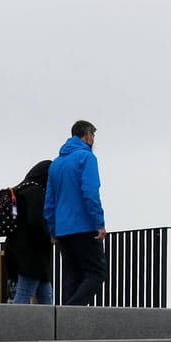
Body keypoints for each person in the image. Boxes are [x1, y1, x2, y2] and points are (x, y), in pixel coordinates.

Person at [45, 120, 107, 306]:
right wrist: (99, 223)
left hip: (63, 230)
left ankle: (64, 322)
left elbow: (49, 201)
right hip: (84, 226)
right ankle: (71, 312)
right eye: (93, 136)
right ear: (88, 135)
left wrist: (53, 229)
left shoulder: (56, 164)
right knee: (97, 273)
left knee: (72, 277)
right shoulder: (86, 158)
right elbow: (89, 191)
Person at [6, 159, 55, 304]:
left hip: (17, 250)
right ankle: (14, 326)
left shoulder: (19, 190)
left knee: (46, 295)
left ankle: (49, 325)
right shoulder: (36, 192)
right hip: (32, 255)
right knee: (24, 294)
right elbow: (36, 222)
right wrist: (49, 236)